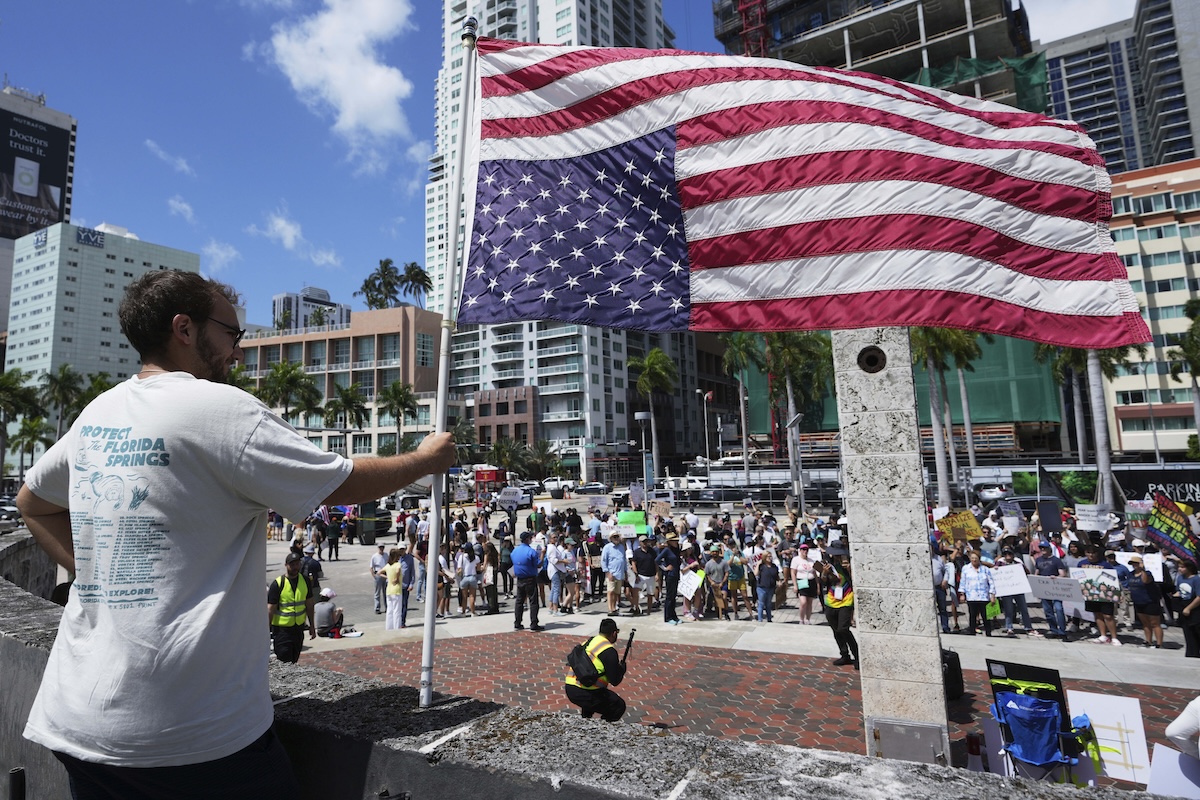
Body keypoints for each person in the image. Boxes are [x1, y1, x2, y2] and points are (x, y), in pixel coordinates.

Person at [15, 270, 456, 799]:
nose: (237, 351)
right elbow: (339, 483)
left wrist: (96, 575)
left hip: (77, 719)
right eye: (231, 333)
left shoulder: (98, 412)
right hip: (189, 732)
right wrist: (424, 460)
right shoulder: (220, 409)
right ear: (184, 328)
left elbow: (32, 503)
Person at [563, 618, 628, 722]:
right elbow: (614, 681)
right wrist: (622, 670)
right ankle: (603, 727)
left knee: (594, 699)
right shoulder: (609, 651)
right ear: (614, 633)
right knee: (618, 706)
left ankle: (586, 720)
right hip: (586, 690)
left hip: (570, 687)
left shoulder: (590, 641)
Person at [268, 552, 317, 662]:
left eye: (297, 564)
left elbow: (309, 604)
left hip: (298, 629)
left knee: (294, 659)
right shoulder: (278, 584)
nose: (295, 567)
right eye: (292, 564)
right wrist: (266, 630)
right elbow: (270, 609)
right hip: (282, 630)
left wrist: (312, 626)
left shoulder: (305, 581)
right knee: (284, 659)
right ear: (286, 565)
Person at [818, 545, 858, 668]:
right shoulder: (829, 566)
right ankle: (844, 654)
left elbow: (855, 581)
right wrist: (824, 573)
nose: (837, 557)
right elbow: (823, 582)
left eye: (839, 555)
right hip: (831, 601)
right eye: (835, 555)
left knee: (843, 628)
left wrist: (849, 569)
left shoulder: (849, 565)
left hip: (846, 601)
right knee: (836, 630)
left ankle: (857, 655)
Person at [1033, 540, 1070, 639]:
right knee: (1048, 610)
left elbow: (1063, 574)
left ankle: (1062, 631)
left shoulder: (1056, 560)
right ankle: (1053, 630)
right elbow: (1037, 573)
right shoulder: (1038, 560)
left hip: (1055, 588)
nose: (1042, 549)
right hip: (1044, 588)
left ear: (1049, 549)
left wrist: (1056, 577)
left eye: (1044, 548)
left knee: (1058, 609)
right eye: (1041, 548)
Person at [1125, 554, 1163, 648]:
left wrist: (1143, 569)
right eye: (1133, 563)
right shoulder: (1130, 574)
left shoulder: (1147, 573)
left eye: (1136, 563)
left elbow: (1145, 581)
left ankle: (1159, 643)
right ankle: (1148, 641)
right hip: (1138, 601)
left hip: (1150, 601)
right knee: (1145, 623)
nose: (1134, 565)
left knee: (1155, 623)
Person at [957, 548, 996, 637]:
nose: (974, 560)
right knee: (972, 615)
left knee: (985, 616)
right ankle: (972, 632)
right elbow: (963, 581)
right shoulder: (966, 568)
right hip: (971, 596)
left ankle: (988, 633)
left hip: (984, 596)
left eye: (976, 558)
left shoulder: (985, 569)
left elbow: (991, 583)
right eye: (972, 558)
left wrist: (992, 595)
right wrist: (962, 594)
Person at [512, 530, 544, 631]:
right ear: (527, 539)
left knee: (519, 601)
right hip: (530, 578)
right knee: (533, 602)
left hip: (520, 579)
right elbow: (538, 564)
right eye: (530, 538)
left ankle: (517, 622)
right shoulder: (531, 551)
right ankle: (534, 623)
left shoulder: (515, 551)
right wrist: (542, 554)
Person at [1174, 559, 1200, 658]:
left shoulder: (1196, 579)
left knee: (1196, 630)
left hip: (1194, 606)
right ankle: (1192, 653)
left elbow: (1199, 597)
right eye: (1179, 567)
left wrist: (1189, 608)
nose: (1180, 569)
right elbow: (1179, 591)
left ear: (1189, 568)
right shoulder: (1180, 578)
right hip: (1183, 605)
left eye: (1182, 567)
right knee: (1188, 631)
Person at [656, 532, 683, 625]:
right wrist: (665, 568)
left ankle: (673, 615)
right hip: (670, 575)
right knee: (669, 597)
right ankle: (667, 617)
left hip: (676, 574)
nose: (676, 542)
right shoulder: (667, 550)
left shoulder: (676, 550)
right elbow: (657, 560)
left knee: (674, 596)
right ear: (670, 542)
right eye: (674, 541)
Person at [601, 531, 628, 617]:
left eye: (617, 536)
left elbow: (624, 560)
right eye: (614, 537)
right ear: (611, 538)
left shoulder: (621, 547)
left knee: (617, 592)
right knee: (610, 591)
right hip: (611, 573)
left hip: (620, 573)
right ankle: (610, 609)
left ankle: (614, 608)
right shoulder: (607, 547)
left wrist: (625, 572)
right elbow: (603, 560)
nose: (616, 538)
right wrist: (607, 572)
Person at [754, 550, 780, 622]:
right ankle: (760, 619)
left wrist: (779, 581)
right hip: (761, 588)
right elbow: (756, 573)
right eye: (768, 556)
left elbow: (776, 575)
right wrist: (758, 564)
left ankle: (769, 619)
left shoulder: (774, 566)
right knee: (761, 604)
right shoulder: (762, 566)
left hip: (771, 588)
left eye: (771, 556)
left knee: (768, 604)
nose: (770, 558)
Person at [370, 543, 388, 615]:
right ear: (378, 548)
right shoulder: (374, 556)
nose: (381, 549)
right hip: (378, 574)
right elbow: (371, 567)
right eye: (380, 547)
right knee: (377, 592)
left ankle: (387, 607)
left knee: (386, 592)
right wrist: (374, 575)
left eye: (382, 547)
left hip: (385, 574)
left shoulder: (386, 555)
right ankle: (377, 608)